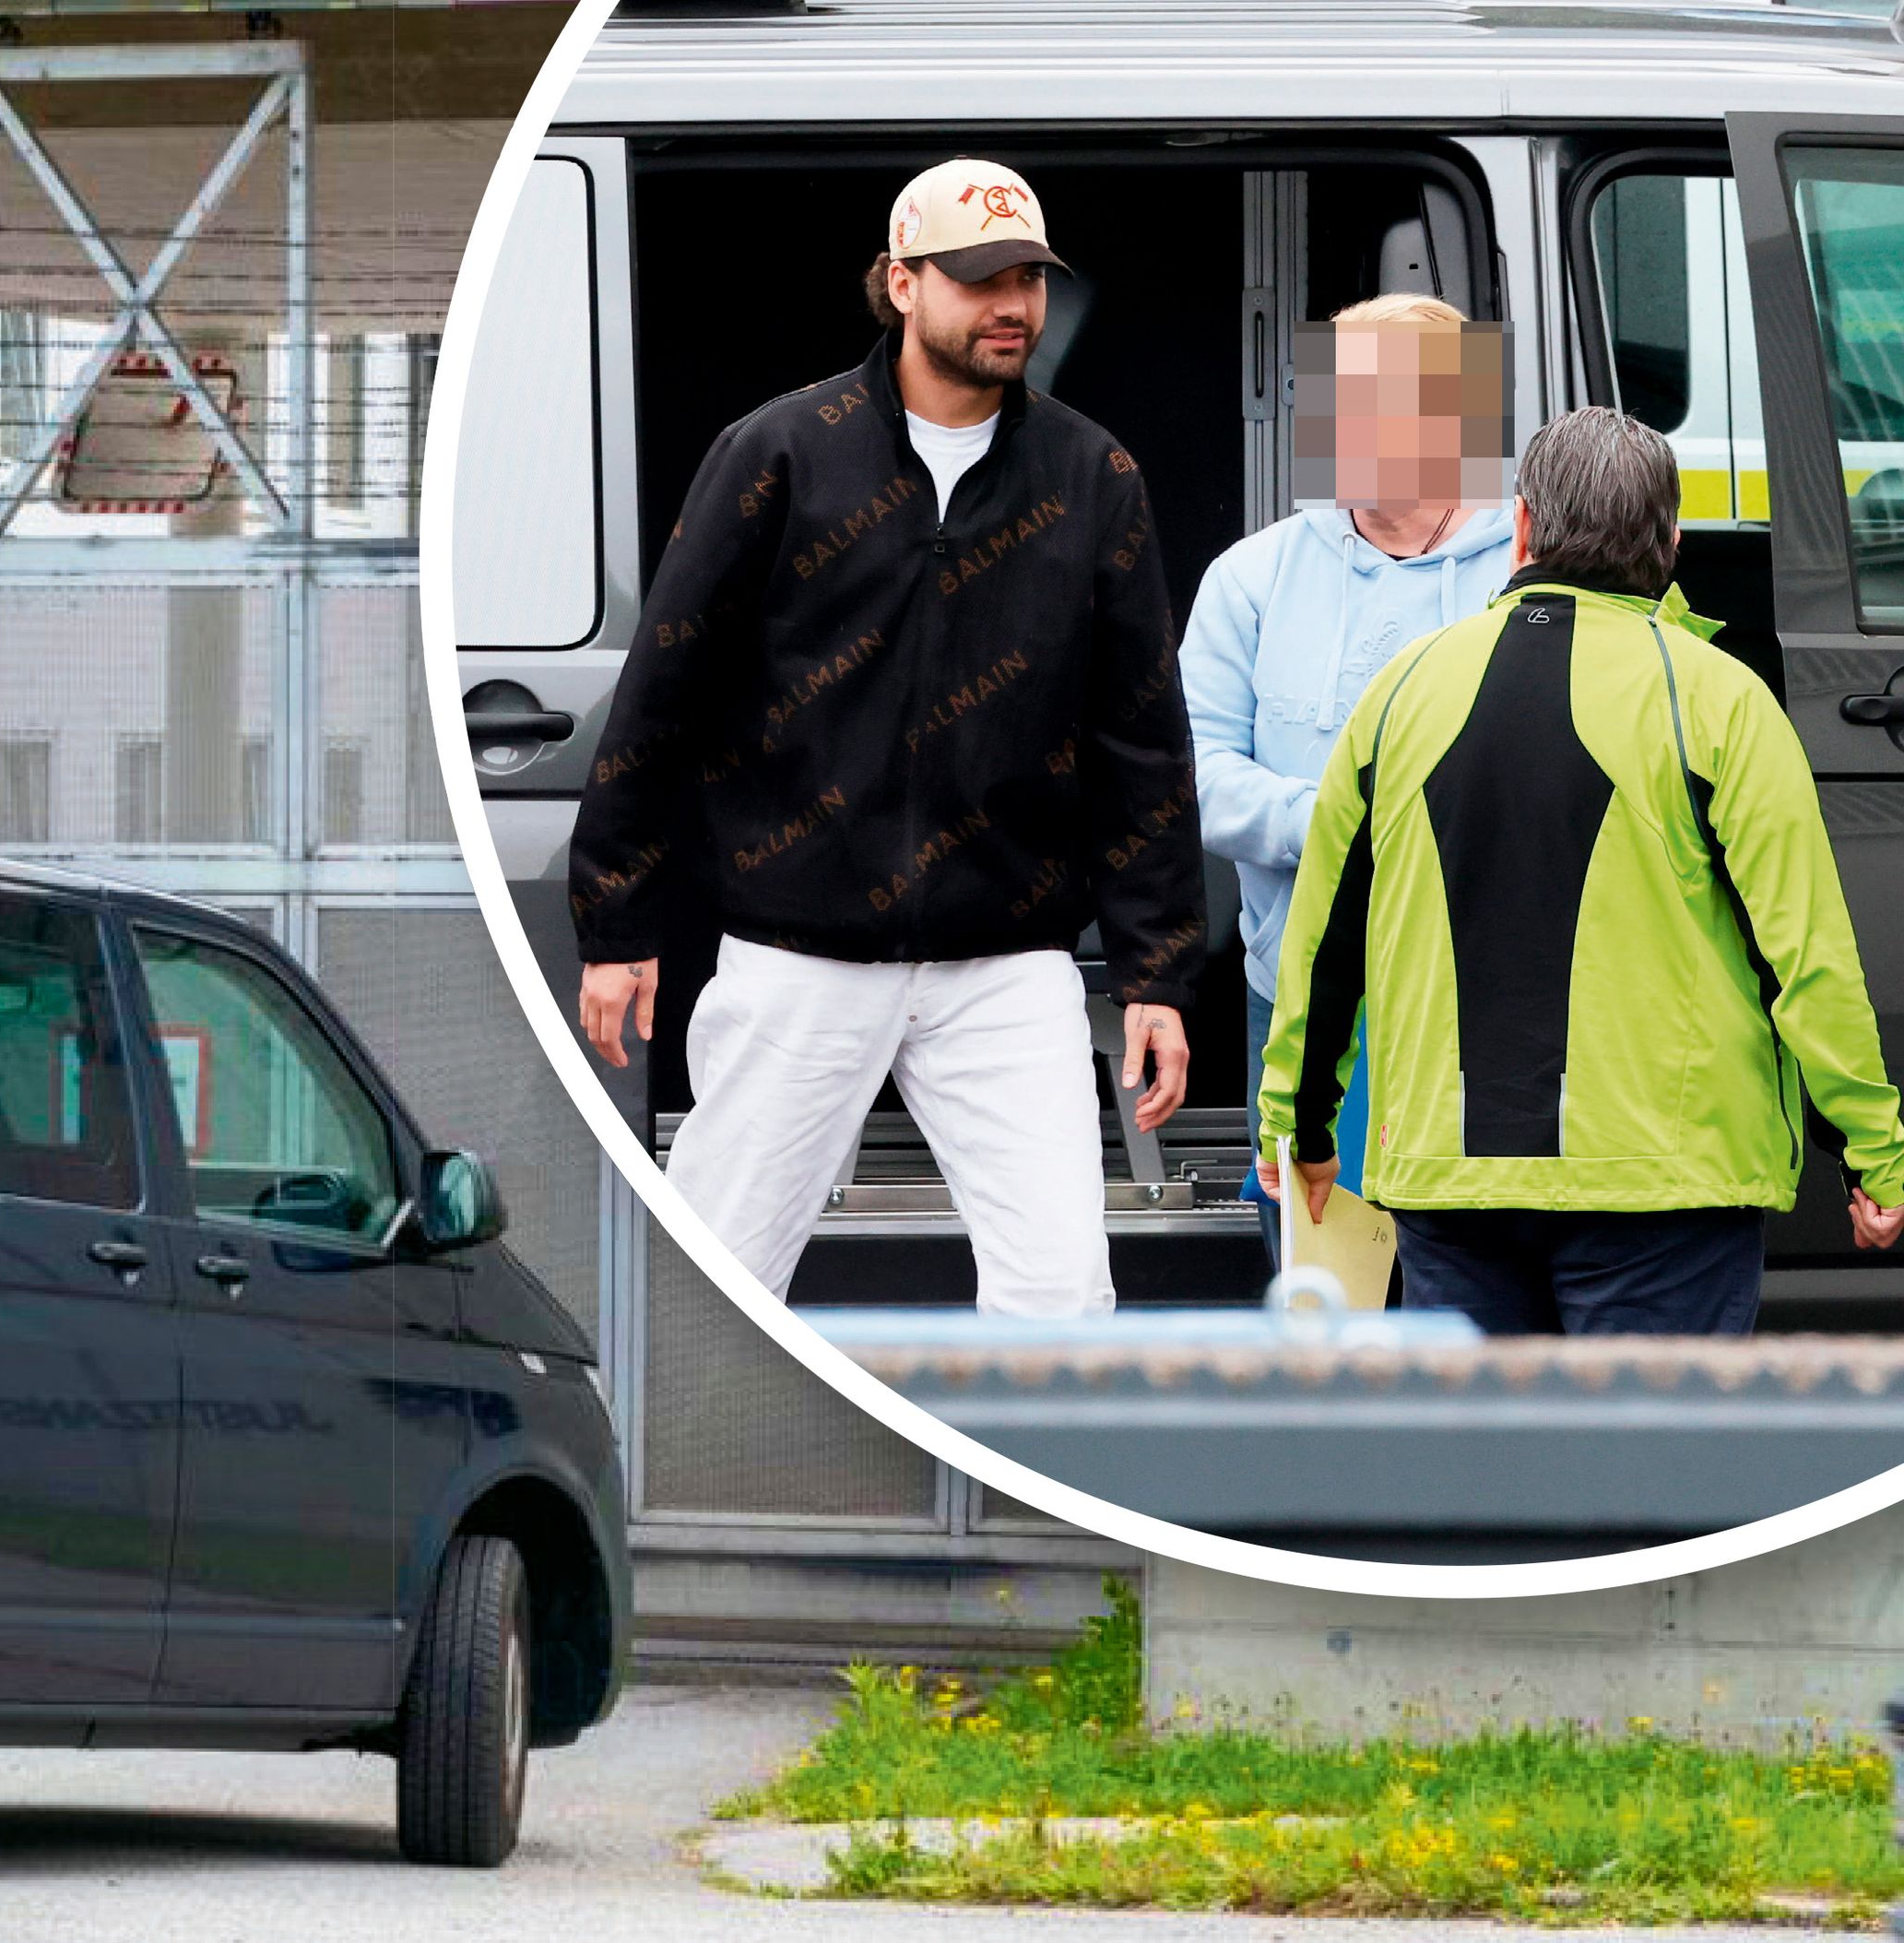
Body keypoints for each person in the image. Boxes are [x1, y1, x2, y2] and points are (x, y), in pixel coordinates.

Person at [569, 158, 1202, 1315]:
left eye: (1028, 277)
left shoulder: (1091, 474)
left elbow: (1139, 739)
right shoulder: (779, 453)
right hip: (799, 954)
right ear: (900, 283)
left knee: (1063, 1298)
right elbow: (665, 690)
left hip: (1004, 965)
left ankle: (1035, 1499)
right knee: (713, 1281)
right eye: (978, 278)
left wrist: (1156, 972)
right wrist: (616, 922)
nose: (1011, 303)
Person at [1258, 405, 1904, 1336]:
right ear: (1671, 541)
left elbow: (1322, 950)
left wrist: (1301, 1128)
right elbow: (1804, 961)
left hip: (1450, 1184)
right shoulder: (1718, 700)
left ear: (1521, 527)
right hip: (1663, 1189)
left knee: (1487, 1475)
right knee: (1649, 1476)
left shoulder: (1397, 694)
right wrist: (1871, 1158)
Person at [1183, 292, 1517, 1261]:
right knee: (1324, 1300)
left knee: (1477, 1301)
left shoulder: (1528, 572)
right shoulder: (1250, 579)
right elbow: (1194, 773)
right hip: (1296, 998)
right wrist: (1338, 823)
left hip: (1487, 1004)